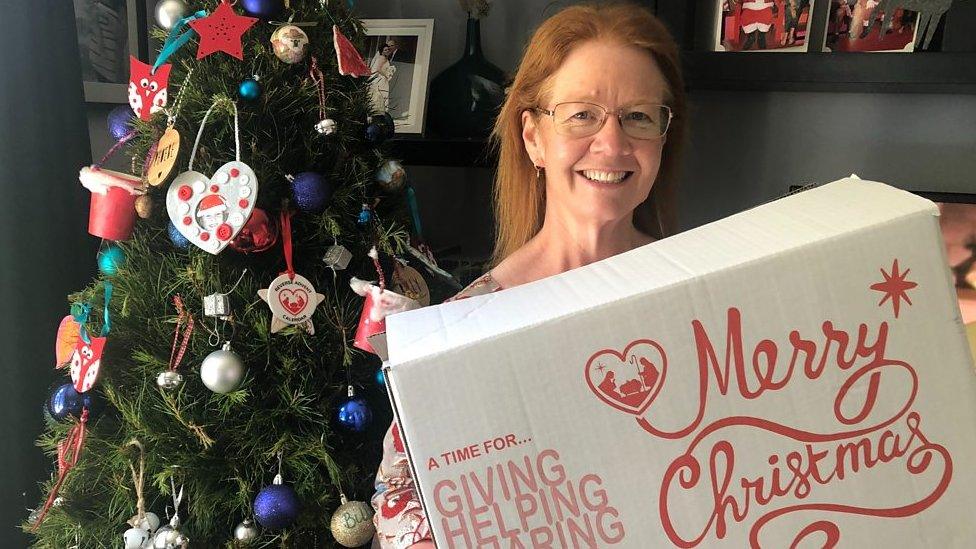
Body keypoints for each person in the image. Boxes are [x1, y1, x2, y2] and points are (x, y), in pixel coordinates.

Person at [369, 2, 687, 547]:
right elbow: (398, 500)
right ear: (534, 137)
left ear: (662, 137)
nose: (611, 144)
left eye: (638, 116)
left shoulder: (702, 294)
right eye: (582, 114)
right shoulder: (466, 326)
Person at [368, 38, 399, 115]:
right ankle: (379, 112)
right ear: (381, 51)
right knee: (381, 95)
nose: (387, 51)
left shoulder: (384, 58)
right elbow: (378, 69)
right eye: (385, 50)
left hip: (382, 78)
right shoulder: (382, 58)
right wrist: (386, 75)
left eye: (388, 50)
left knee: (382, 95)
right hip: (381, 79)